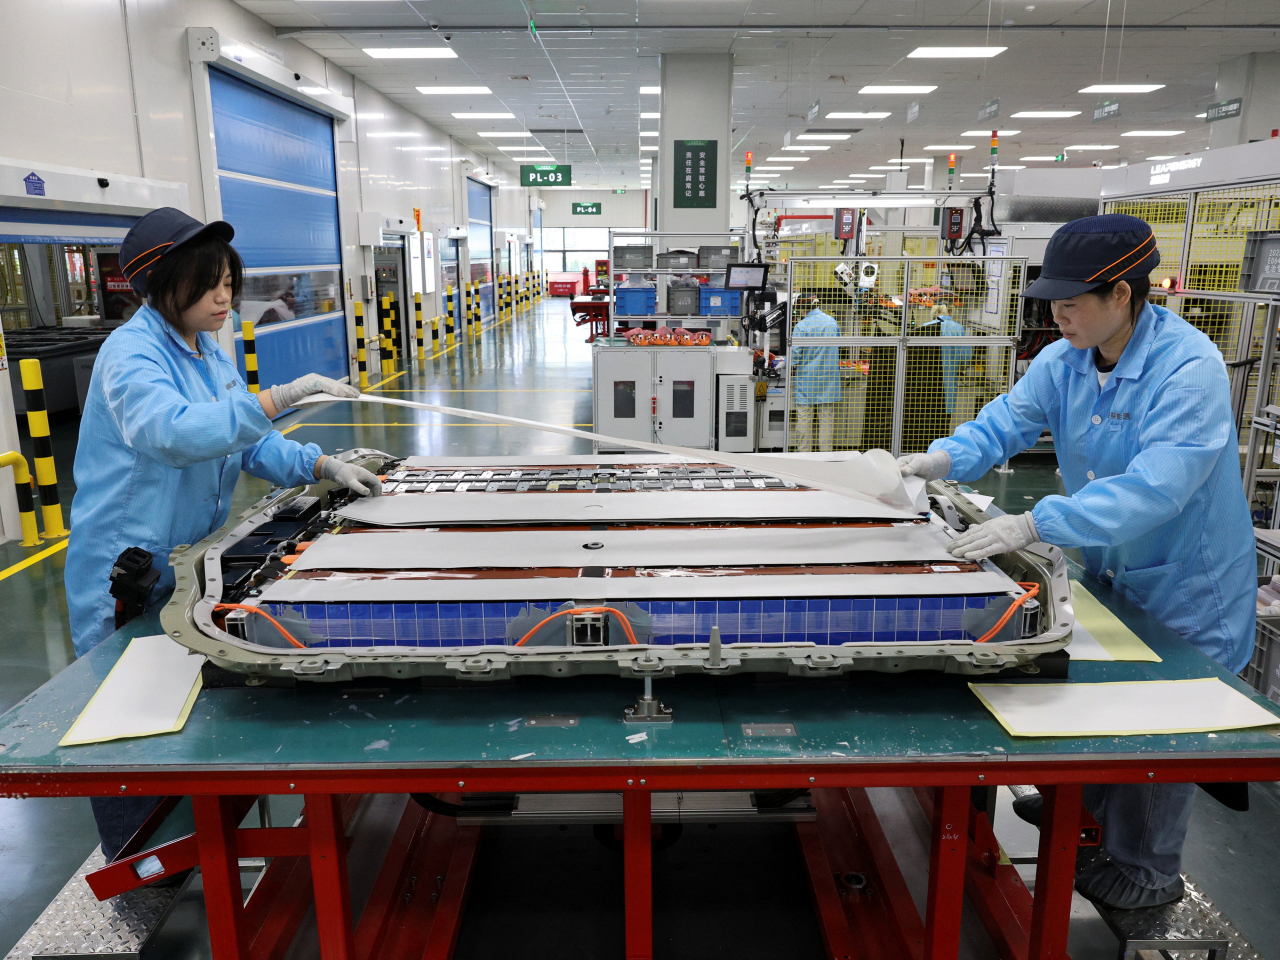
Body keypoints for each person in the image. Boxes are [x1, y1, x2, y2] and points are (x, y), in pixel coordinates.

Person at [899, 214, 1255, 910]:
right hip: (1117, 564)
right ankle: (1085, 814)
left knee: (1162, 731)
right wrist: (939, 457)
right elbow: (1006, 421)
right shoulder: (1067, 358)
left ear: (1122, 295)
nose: (1057, 314)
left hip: (1188, 579)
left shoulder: (1189, 368)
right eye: (1051, 302)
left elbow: (1157, 487)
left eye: (1072, 302)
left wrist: (1035, 522)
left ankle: (1145, 875)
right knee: (1102, 699)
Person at [66, 207, 382, 862]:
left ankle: (196, 846)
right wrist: (280, 395)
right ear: (163, 286)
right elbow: (175, 433)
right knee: (127, 729)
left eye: (228, 284)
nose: (224, 299)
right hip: (124, 574)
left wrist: (321, 465)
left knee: (185, 711)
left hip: (186, 563)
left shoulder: (206, 348)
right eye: (208, 284)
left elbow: (249, 443)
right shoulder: (130, 357)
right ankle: (138, 865)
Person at [791, 295, 840, 451]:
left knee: (804, 420)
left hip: (807, 382)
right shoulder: (832, 323)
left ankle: (804, 454)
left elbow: (794, 356)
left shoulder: (801, 326)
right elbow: (840, 345)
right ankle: (826, 456)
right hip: (828, 381)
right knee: (826, 421)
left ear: (802, 308)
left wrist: (784, 363)